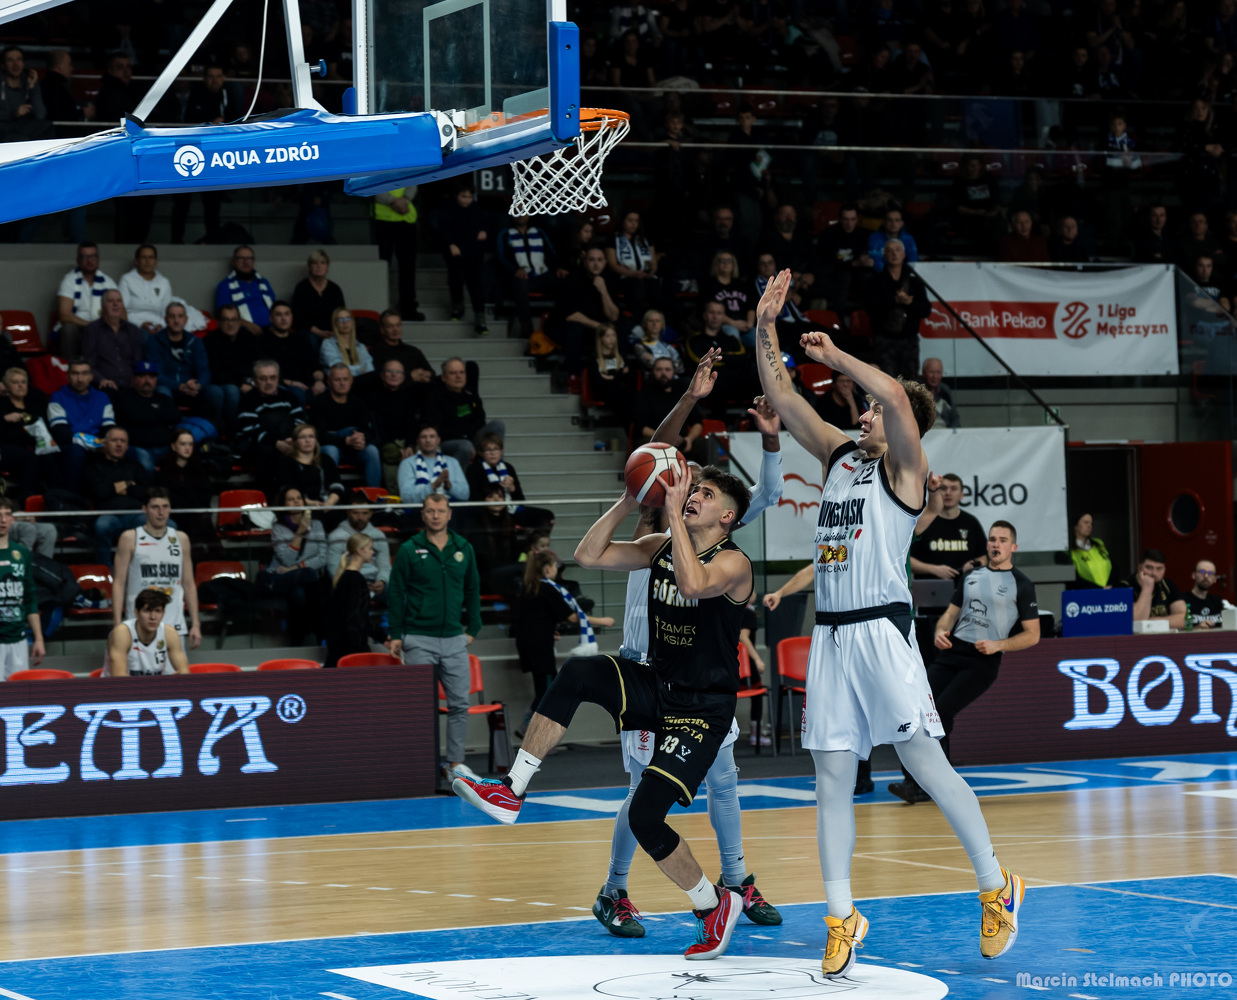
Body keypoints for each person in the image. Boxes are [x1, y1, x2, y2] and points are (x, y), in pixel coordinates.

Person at [752, 268, 1024, 976]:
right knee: (830, 778)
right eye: (864, 407)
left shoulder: (906, 471)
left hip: (880, 631)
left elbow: (899, 397)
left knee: (923, 762)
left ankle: (995, 886)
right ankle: (841, 915)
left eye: (871, 409)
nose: (864, 413)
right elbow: (783, 396)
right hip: (831, 636)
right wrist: (764, 327)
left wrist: (838, 357)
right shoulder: (840, 458)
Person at [452, 459, 756, 962]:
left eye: (705, 494)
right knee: (578, 672)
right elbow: (587, 554)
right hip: (657, 683)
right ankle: (512, 789)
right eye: (693, 490)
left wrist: (673, 514)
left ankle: (712, 904)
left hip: (702, 708)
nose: (693, 495)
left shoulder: (735, 563)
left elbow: (693, 585)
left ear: (727, 517)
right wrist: (628, 501)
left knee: (645, 816)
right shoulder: (659, 546)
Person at [591, 361, 785, 940]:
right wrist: (690, 398)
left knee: (725, 780)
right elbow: (654, 453)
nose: (688, 490)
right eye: (682, 483)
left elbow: (770, 491)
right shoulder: (655, 528)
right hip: (647, 673)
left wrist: (770, 439)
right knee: (642, 794)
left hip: (698, 684)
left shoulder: (714, 537)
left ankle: (737, 881)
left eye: (700, 487)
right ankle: (613, 889)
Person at [890, 520, 1040, 804]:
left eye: (1003, 540)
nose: (996, 544)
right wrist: (940, 631)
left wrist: (998, 644)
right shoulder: (971, 576)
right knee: (919, 709)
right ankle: (919, 782)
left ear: (1013, 547)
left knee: (941, 712)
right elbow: (950, 614)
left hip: (982, 661)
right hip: (952, 652)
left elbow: (1033, 635)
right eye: (992, 539)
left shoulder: (1021, 584)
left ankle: (931, 783)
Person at [387, 492, 482, 778]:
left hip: (454, 638)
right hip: (418, 638)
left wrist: (473, 628)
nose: (436, 515)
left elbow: (473, 589)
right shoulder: (409, 549)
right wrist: (395, 633)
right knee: (420, 707)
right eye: (430, 511)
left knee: (459, 704)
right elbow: (396, 592)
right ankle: (421, 766)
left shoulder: (463, 547)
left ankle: (455, 766)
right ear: (423, 514)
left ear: (450, 514)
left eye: (441, 510)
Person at [111, 486, 201, 648]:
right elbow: (119, 583)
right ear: (144, 509)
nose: (161, 512)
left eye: (165, 507)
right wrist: (117, 624)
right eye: (155, 507)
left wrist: (195, 623)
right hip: (138, 625)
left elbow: (188, 583)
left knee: (178, 665)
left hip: (174, 625)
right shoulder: (130, 538)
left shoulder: (181, 539)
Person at [261, 485, 327, 645]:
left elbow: (323, 557)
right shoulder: (278, 528)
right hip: (280, 578)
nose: (296, 502)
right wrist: (300, 532)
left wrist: (296, 568)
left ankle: (296, 640)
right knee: (309, 574)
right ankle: (321, 633)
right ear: (284, 504)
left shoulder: (317, 525)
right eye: (291, 499)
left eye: (299, 498)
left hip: (302, 579)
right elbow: (288, 559)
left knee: (300, 593)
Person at [83, 426, 154, 566]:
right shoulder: (94, 467)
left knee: (161, 524)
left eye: (123, 441)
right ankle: (105, 571)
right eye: (114, 440)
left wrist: (113, 487)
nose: (119, 444)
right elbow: (99, 492)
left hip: (135, 514)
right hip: (109, 514)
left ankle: (145, 568)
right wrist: (128, 484)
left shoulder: (135, 466)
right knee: (102, 526)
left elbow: (146, 492)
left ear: (127, 446)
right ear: (105, 443)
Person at [145, 302, 224, 428]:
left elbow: (204, 370)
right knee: (162, 391)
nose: (176, 320)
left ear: (185, 319)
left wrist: (198, 385)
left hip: (192, 389)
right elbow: (156, 374)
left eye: (180, 316)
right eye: (172, 316)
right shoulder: (155, 341)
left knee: (215, 392)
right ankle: (167, 432)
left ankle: (213, 430)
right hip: (169, 388)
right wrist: (179, 386)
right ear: (166, 319)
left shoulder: (195, 341)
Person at [549, 245, 622, 374]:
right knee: (576, 328)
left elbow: (613, 316)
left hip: (594, 329)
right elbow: (572, 315)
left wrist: (603, 291)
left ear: (605, 262)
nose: (596, 264)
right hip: (567, 328)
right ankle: (572, 375)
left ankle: (617, 372)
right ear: (585, 262)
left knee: (619, 327)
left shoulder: (608, 281)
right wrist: (601, 327)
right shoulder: (572, 280)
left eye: (599, 260)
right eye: (591, 260)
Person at [865, 239, 930, 379]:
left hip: (909, 341)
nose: (894, 254)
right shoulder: (876, 281)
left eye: (898, 250)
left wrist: (909, 303)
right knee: (887, 382)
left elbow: (926, 310)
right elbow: (872, 309)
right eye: (890, 251)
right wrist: (895, 300)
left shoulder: (915, 281)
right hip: (884, 340)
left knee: (910, 383)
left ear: (904, 254)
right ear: (885, 255)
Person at [422, 357, 505, 467]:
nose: (458, 376)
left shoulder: (470, 393)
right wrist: (465, 437)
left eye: (462, 372)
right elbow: (439, 429)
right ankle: (455, 477)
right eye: (453, 373)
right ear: (443, 378)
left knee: (497, 426)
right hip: (448, 441)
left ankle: (497, 468)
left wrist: (471, 438)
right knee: (465, 446)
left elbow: (480, 420)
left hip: (471, 438)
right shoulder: (435, 396)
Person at [47, 357, 115, 490]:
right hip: (70, 444)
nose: (80, 379)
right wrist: (92, 444)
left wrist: (106, 443)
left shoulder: (102, 398)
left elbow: (109, 428)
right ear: (67, 376)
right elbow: (60, 432)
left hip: (99, 443)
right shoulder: (58, 397)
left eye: (84, 373)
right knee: (77, 452)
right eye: (75, 373)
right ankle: (73, 495)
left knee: (126, 450)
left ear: (91, 377)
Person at [310, 364, 381, 487]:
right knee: (331, 451)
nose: (342, 383)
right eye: (337, 380)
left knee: (372, 451)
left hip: (353, 449)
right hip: (330, 446)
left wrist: (362, 439)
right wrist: (345, 440)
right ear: (329, 382)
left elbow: (368, 431)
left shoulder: (358, 402)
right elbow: (318, 435)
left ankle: (374, 494)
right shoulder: (319, 402)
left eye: (345, 379)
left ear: (351, 381)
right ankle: (330, 492)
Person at [432, 184, 490, 334]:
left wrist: (484, 231)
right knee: (455, 280)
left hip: (474, 252)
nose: (467, 200)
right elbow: (443, 228)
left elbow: (487, 224)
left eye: (470, 196)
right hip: (456, 252)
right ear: (457, 195)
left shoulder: (477, 208)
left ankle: (480, 317)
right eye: (463, 196)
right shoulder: (448, 209)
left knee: (476, 285)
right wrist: (451, 244)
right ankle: (458, 306)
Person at [466, 433, 552, 529]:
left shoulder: (508, 467)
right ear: (481, 453)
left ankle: (538, 539)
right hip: (488, 511)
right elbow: (474, 498)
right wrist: (494, 492)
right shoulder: (474, 469)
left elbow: (521, 501)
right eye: (488, 450)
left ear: (501, 451)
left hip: (510, 509)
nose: (492, 453)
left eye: (496, 449)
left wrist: (512, 488)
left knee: (546, 515)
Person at [325, 533, 386, 667]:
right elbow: (357, 619)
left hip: (339, 646)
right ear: (359, 550)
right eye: (370, 548)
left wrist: (382, 637)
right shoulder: (356, 579)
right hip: (352, 648)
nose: (372, 552)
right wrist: (380, 638)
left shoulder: (343, 577)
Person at [910, 473, 986, 580]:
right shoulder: (924, 522)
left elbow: (984, 557)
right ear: (937, 491)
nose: (948, 493)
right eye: (943, 488)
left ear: (962, 495)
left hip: (965, 585)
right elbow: (906, 559)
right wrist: (932, 569)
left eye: (953, 489)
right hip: (929, 586)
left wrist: (975, 564)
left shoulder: (971, 522)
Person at [496, 215, 562, 338]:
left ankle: (560, 326)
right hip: (517, 277)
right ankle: (526, 326)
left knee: (565, 282)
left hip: (541, 275)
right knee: (520, 282)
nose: (521, 214)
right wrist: (514, 270)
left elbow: (550, 253)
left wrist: (557, 268)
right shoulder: (505, 234)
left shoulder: (539, 232)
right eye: (518, 210)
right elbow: (501, 258)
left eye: (524, 210)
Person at [235, 360, 306, 473]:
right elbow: (251, 431)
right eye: (263, 378)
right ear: (255, 381)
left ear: (278, 379)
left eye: (273, 378)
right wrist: (276, 443)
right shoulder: (247, 400)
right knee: (266, 450)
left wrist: (290, 439)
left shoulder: (289, 397)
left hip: (288, 440)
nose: (269, 382)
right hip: (259, 445)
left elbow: (300, 422)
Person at [0, 365, 60, 497]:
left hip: (35, 445)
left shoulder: (35, 402)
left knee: (50, 456)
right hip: (8, 447)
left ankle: (58, 498)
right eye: (15, 382)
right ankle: (25, 498)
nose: (20, 386)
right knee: (29, 458)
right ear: (7, 386)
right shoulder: (2, 404)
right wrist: (4, 419)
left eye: (23, 382)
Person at [0, 497, 44, 679]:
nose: (2, 520)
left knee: (18, 694)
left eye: (7, 515)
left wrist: (38, 638)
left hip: (18, 639)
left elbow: (30, 598)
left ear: (13, 519)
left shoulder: (22, 553)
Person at [631, 357, 706, 463]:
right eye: (659, 369)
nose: (663, 373)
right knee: (643, 444)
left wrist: (689, 439)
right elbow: (640, 427)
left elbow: (697, 422)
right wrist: (666, 438)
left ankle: (705, 474)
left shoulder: (682, 393)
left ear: (673, 372)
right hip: (655, 441)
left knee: (705, 444)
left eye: (667, 369)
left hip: (681, 442)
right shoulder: (644, 394)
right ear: (653, 372)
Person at [113, 362, 182, 473]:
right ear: (133, 379)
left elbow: (176, 417)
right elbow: (136, 417)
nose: (147, 380)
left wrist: (147, 411)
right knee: (147, 468)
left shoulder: (163, 398)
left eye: (151, 376)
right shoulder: (124, 397)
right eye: (142, 376)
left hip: (165, 447)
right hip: (138, 448)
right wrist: (159, 413)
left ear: (156, 380)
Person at [104, 588, 190, 676]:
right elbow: (118, 676)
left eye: (158, 611)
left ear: (163, 613)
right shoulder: (122, 633)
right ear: (136, 613)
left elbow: (184, 672)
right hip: (118, 684)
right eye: (147, 611)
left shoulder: (170, 633)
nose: (153, 617)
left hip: (155, 684)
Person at [371, 187, 424, 321]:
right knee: (381, 267)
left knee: (408, 267)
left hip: (406, 219)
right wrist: (393, 201)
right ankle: (378, 307)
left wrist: (405, 200)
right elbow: (373, 184)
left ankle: (408, 308)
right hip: (382, 219)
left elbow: (413, 180)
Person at [326, 496, 391, 602]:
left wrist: (382, 581)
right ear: (348, 513)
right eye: (356, 513)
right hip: (348, 582)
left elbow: (384, 565)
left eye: (365, 513)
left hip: (375, 581)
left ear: (370, 514)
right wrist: (356, 584)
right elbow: (333, 570)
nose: (360, 517)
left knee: (400, 595)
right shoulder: (336, 537)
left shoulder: (379, 536)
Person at [371, 359, 422, 493]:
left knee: (427, 449)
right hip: (387, 443)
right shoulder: (374, 397)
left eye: (398, 372)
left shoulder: (409, 398)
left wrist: (410, 445)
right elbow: (377, 428)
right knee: (391, 453)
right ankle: (395, 496)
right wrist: (398, 449)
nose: (394, 374)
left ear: (403, 377)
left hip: (406, 442)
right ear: (382, 375)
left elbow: (412, 425)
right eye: (390, 371)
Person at [203, 303, 256, 430]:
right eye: (226, 320)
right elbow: (214, 372)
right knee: (231, 390)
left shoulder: (247, 336)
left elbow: (257, 362)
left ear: (240, 321)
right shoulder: (209, 341)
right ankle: (234, 432)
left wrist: (251, 382)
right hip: (219, 383)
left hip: (245, 381)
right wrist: (240, 384)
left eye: (234, 319)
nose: (230, 324)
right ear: (218, 322)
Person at [155, 428, 213, 541]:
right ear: (173, 446)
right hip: (174, 515)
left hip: (195, 514)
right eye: (183, 444)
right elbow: (165, 497)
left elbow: (206, 494)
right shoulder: (163, 470)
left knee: (200, 520)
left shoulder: (199, 469)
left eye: (190, 444)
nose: (187, 448)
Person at [258, 301, 323, 402]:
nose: (283, 318)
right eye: (279, 314)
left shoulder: (302, 340)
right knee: (298, 394)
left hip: (309, 385)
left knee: (328, 391)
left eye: (286, 314)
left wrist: (319, 381)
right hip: (283, 386)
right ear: (271, 318)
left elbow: (316, 367)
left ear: (291, 317)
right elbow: (264, 374)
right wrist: (291, 383)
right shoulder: (263, 342)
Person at [82, 289, 145, 392]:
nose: (115, 304)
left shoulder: (133, 330)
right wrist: (101, 379)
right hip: (104, 387)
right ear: (103, 307)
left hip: (131, 388)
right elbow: (88, 364)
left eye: (119, 301)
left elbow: (138, 362)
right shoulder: (92, 330)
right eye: (111, 301)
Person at [816, 203, 874, 314]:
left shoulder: (862, 235)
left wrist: (866, 261)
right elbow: (827, 262)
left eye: (853, 219)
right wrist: (853, 263)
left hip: (856, 275)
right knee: (844, 276)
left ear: (857, 219)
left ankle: (867, 315)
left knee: (868, 276)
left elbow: (863, 257)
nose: (849, 224)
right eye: (846, 219)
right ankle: (839, 316)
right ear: (839, 219)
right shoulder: (828, 235)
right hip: (834, 275)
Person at [275, 423, 345, 508]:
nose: (307, 440)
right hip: (299, 507)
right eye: (302, 437)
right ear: (295, 442)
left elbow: (336, 485)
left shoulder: (326, 459)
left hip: (327, 505)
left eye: (311, 436)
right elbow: (287, 490)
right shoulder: (286, 462)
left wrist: (329, 503)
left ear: (315, 440)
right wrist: (311, 503)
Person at [605, 209, 660, 316]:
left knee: (655, 285)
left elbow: (653, 261)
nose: (633, 224)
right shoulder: (613, 238)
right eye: (630, 220)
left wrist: (652, 272)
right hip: (624, 278)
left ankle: (655, 318)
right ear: (622, 221)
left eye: (636, 221)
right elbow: (612, 264)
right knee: (637, 285)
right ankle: (635, 319)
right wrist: (633, 274)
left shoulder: (645, 238)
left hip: (645, 276)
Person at [398, 425, 469, 504]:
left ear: (438, 440)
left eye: (432, 436)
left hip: (450, 508)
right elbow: (406, 498)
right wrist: (433, 486)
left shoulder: (452, 462)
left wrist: (449, 486)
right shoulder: (407, 463)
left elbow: (465, 495)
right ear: (417, 441)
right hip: (420, 509)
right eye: (423, 437)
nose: (428, 440)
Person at [699, 251, 756, 349]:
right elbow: (711, 311)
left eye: (729, 261)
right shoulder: (709, 285)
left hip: (744, 326)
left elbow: (751, 307)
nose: (725, 263)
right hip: (722, 326)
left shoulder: (741, 285)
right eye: (722, 260)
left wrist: (749, 324)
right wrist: (734, 323)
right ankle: (737, 357)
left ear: (733, 265)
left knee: (760, 335)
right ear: (716, 264)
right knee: (732, 333)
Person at [1118, 549, 1187, 629]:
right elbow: (1135, 622)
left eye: (1159, 569)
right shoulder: (1124, 586)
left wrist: (1151, 621)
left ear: (1164, 570)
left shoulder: (1168, 585)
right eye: (1149, 568)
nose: (1154, 573)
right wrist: (1147, 589)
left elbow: (1185, 619)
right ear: (1140, 568)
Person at [216, 246, 276, 335]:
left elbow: (275, 307)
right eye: (241, 258)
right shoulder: (225, 285)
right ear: (234, 261)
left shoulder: (264, 282)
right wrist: (248, 326)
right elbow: (223, 316)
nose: (246, 262)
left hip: (271, 331)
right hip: (243, 332)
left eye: (249, 259)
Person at [117, 245, 175, 333]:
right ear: (137, 261)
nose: (147, 261)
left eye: (151, 257)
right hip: (133, 326)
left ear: (156, 261)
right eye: (143, 257)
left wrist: (161, 325)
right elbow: (121, 310)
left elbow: (168, 312)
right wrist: (140, 324)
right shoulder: (127, 279)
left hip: (158, 326)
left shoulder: (164, 282)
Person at [291, 250, 346, 340]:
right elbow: (297, 317)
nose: (319, 266)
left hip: (332, 331)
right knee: (311, 339)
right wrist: (318, 332)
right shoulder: (301, 288)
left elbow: (341, 313)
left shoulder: (335, 289)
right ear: (309, 267)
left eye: (322, 263)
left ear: (327, 267)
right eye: (315, 263)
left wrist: (335, 331)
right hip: (309, 331)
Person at [368, 310, 433, 388]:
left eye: (398, 325)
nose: (395, 329)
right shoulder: (375, 351)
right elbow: (378, 379)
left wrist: (427, 375)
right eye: (390, 326)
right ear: (382, 329)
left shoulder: (413, 351)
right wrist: (410, 376)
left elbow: (431, 373)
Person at [587, 325, 635, 423]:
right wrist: (620, 375)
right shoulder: (594, 358)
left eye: (613, 335)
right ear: (600, 338)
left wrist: (612, 377)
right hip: (605, 394)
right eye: (607, 336)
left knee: (634, 396)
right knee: (618, 394)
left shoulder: (621, 356)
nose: (612, 339)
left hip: (621, 392)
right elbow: (598, 382)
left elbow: (631, 378)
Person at [319, 308, 374, 377]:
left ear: (352, 322)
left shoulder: (360, 346)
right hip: (340, 381)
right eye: (341, 319)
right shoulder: (328, 344)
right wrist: (360, 369)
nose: (345, 322)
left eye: (348, 318)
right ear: (335, 323)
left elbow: (370, 368)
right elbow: (338, 368)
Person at [631, 309, 684, 374]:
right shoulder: (639, 345)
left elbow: (680, 368)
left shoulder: (669, 346)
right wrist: (671, 365)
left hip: (674, 378)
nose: (654, 324)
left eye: (657, 321)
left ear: (662, 325)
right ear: (645, 324)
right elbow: (653, 365)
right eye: (651, 321)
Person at [868, 206, 920, 272]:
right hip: (881, 274)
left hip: (903, 273)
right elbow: (875, 261)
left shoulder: (908, 238)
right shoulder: (875, 238)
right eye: (890, 220)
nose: (893, 224)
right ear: (884, 222)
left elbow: (913, 261)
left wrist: (902, 274)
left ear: (902, 223)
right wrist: (890, 275)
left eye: (897, 220)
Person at [1069, 512, 1112, 588]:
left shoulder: (1099, 544)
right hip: (1085, 593)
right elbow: (1074, 579)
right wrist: (1099, 589)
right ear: (1075, 526)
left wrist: (1110, 586)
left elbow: (1114, 567)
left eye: (1091, 523)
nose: (1090, 526)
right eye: (1086, 522)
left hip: (1108, 592)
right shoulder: (1069, 551)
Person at [921, 357, 960, 428]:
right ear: (923, 373)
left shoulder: (945, 391)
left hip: (945, 432)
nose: (935, 376)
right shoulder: (916, 392)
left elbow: (954, 418)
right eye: (931, 372)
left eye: (938, 372)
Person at [1185, 559, 1224, 628]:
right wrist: (1196, 629)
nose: (1206, 576)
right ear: (1193, 575)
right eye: (1202, 572)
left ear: (1215, 579)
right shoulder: (1182, 601)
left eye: (1210, 573)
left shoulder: (1218, 601)